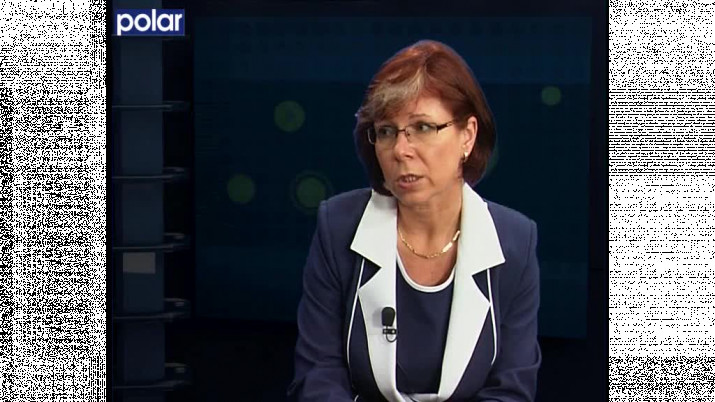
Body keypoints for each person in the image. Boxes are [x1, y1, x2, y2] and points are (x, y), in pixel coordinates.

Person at [287, 40, 541, 402]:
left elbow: (510, 391)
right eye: (386, 131)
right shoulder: (338, 227)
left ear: (468, 136)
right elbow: (318, 376)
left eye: (422, 127)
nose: (401, 150)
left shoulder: (515, 241)